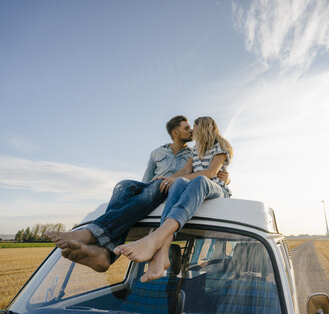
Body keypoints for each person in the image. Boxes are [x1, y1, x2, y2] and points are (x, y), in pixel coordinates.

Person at [46, 115, 229, 272]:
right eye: (187, 128)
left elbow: (207, 173)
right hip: (155, 187)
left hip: (172, 190)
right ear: (176, 132)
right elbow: (147, 180)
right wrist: (159, 181)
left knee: (158, 187)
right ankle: (103, 252)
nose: (191, 131)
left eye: (192, 128)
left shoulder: (195, 150)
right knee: (124, 185)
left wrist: (224, 180)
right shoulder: (158, 152)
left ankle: (92, 234)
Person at [114, 116, 233, 282]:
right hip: (196, 189)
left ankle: (155, 238)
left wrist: (179, 179)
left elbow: (211, 173)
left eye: (195, 128)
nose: (192, 131)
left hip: (216, 189)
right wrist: (167, 178)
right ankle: (163, 253)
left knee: (199, 180)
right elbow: (185, 171)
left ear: (203, 128)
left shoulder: (220, 146)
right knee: (178, 184)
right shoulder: (195, 149)